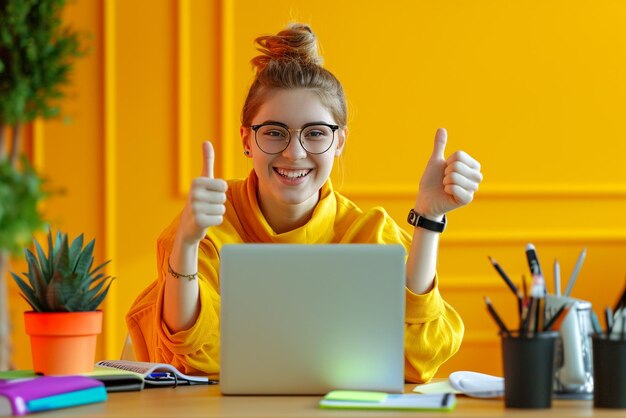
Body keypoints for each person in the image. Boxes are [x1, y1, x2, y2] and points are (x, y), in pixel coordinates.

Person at [126, 23, 483, 383]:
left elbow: (417, 359)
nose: (294, 153)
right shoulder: (204, 224)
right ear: (247, 140)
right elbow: (192, 356)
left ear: (340, 141)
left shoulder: (369, 233)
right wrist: (186, 243)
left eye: (315, 133)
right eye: (274, 132)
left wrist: (428, 219)